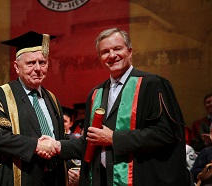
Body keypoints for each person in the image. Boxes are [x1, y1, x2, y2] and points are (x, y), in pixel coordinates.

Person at [59, 28, 191, 185]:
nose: (112, 55)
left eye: (117, 48)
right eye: (105, 52)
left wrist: (114, 138)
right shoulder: (96, 93)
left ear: (130, 51)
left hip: (141, 177)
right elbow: (89, 141)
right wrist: (56, 146)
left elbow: (167, 134)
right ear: (100, 58)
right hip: (103, 180)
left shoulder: (152, 85)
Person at [0, 31, 66, 186]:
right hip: (21, 176)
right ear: (17, 67)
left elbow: (60, 138)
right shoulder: (2, 96)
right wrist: (35, 145)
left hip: (53, 178)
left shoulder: (52, 99)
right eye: (30, 63)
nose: (37, 68)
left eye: (42, 62)